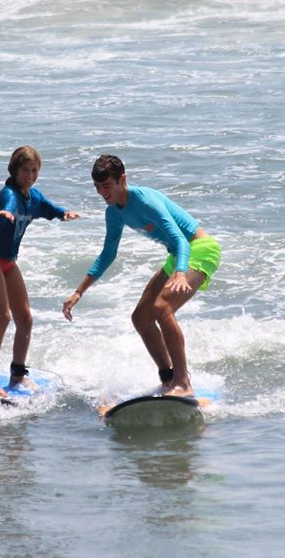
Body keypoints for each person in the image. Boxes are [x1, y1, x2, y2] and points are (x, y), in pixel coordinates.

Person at [62, 155, 221, 397]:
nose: (102, 193)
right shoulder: (114, 212)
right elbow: (107, 254)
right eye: (97, 187)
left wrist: (180, 273)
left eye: (106, 186)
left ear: (122, 180)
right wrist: (79, 292)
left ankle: (183, 383)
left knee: (162, 307)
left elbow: (180, 239)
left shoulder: (145, 201)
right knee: (141, 317)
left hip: (199, 249)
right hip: (176, 255)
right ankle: (168, 378)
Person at [0, 146, 79, 398]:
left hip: (9, 262)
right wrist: (5, 213)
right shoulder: (8, 194)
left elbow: (49, 208)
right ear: (14, 170)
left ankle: (18, 375)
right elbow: (7, 204)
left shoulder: (34, 197)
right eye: (25, 170)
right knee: (3, 317)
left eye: (34, 170)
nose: (30, 175)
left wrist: (63, 214)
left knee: (25, 319)